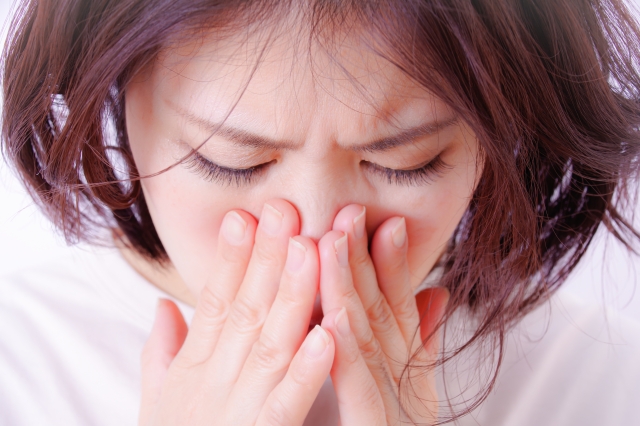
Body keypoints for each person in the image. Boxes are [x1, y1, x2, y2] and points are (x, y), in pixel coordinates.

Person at [1, 0, 640, 425]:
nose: (313, 239)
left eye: (406, 163)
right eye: (231, 163)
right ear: (111, 92)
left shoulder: (600, 383)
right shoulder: (18, 369)